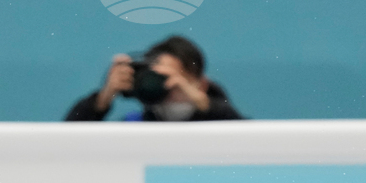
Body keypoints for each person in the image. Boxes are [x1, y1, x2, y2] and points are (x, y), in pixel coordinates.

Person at [65, 36, 243, 122]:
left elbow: (249, 140)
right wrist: (104, 98)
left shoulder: (222, 126)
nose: (168, 86)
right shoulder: (133, 128)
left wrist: (203, 104)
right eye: (160, 78)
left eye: (176, 79)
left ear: (202, 85)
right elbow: (65, 140)